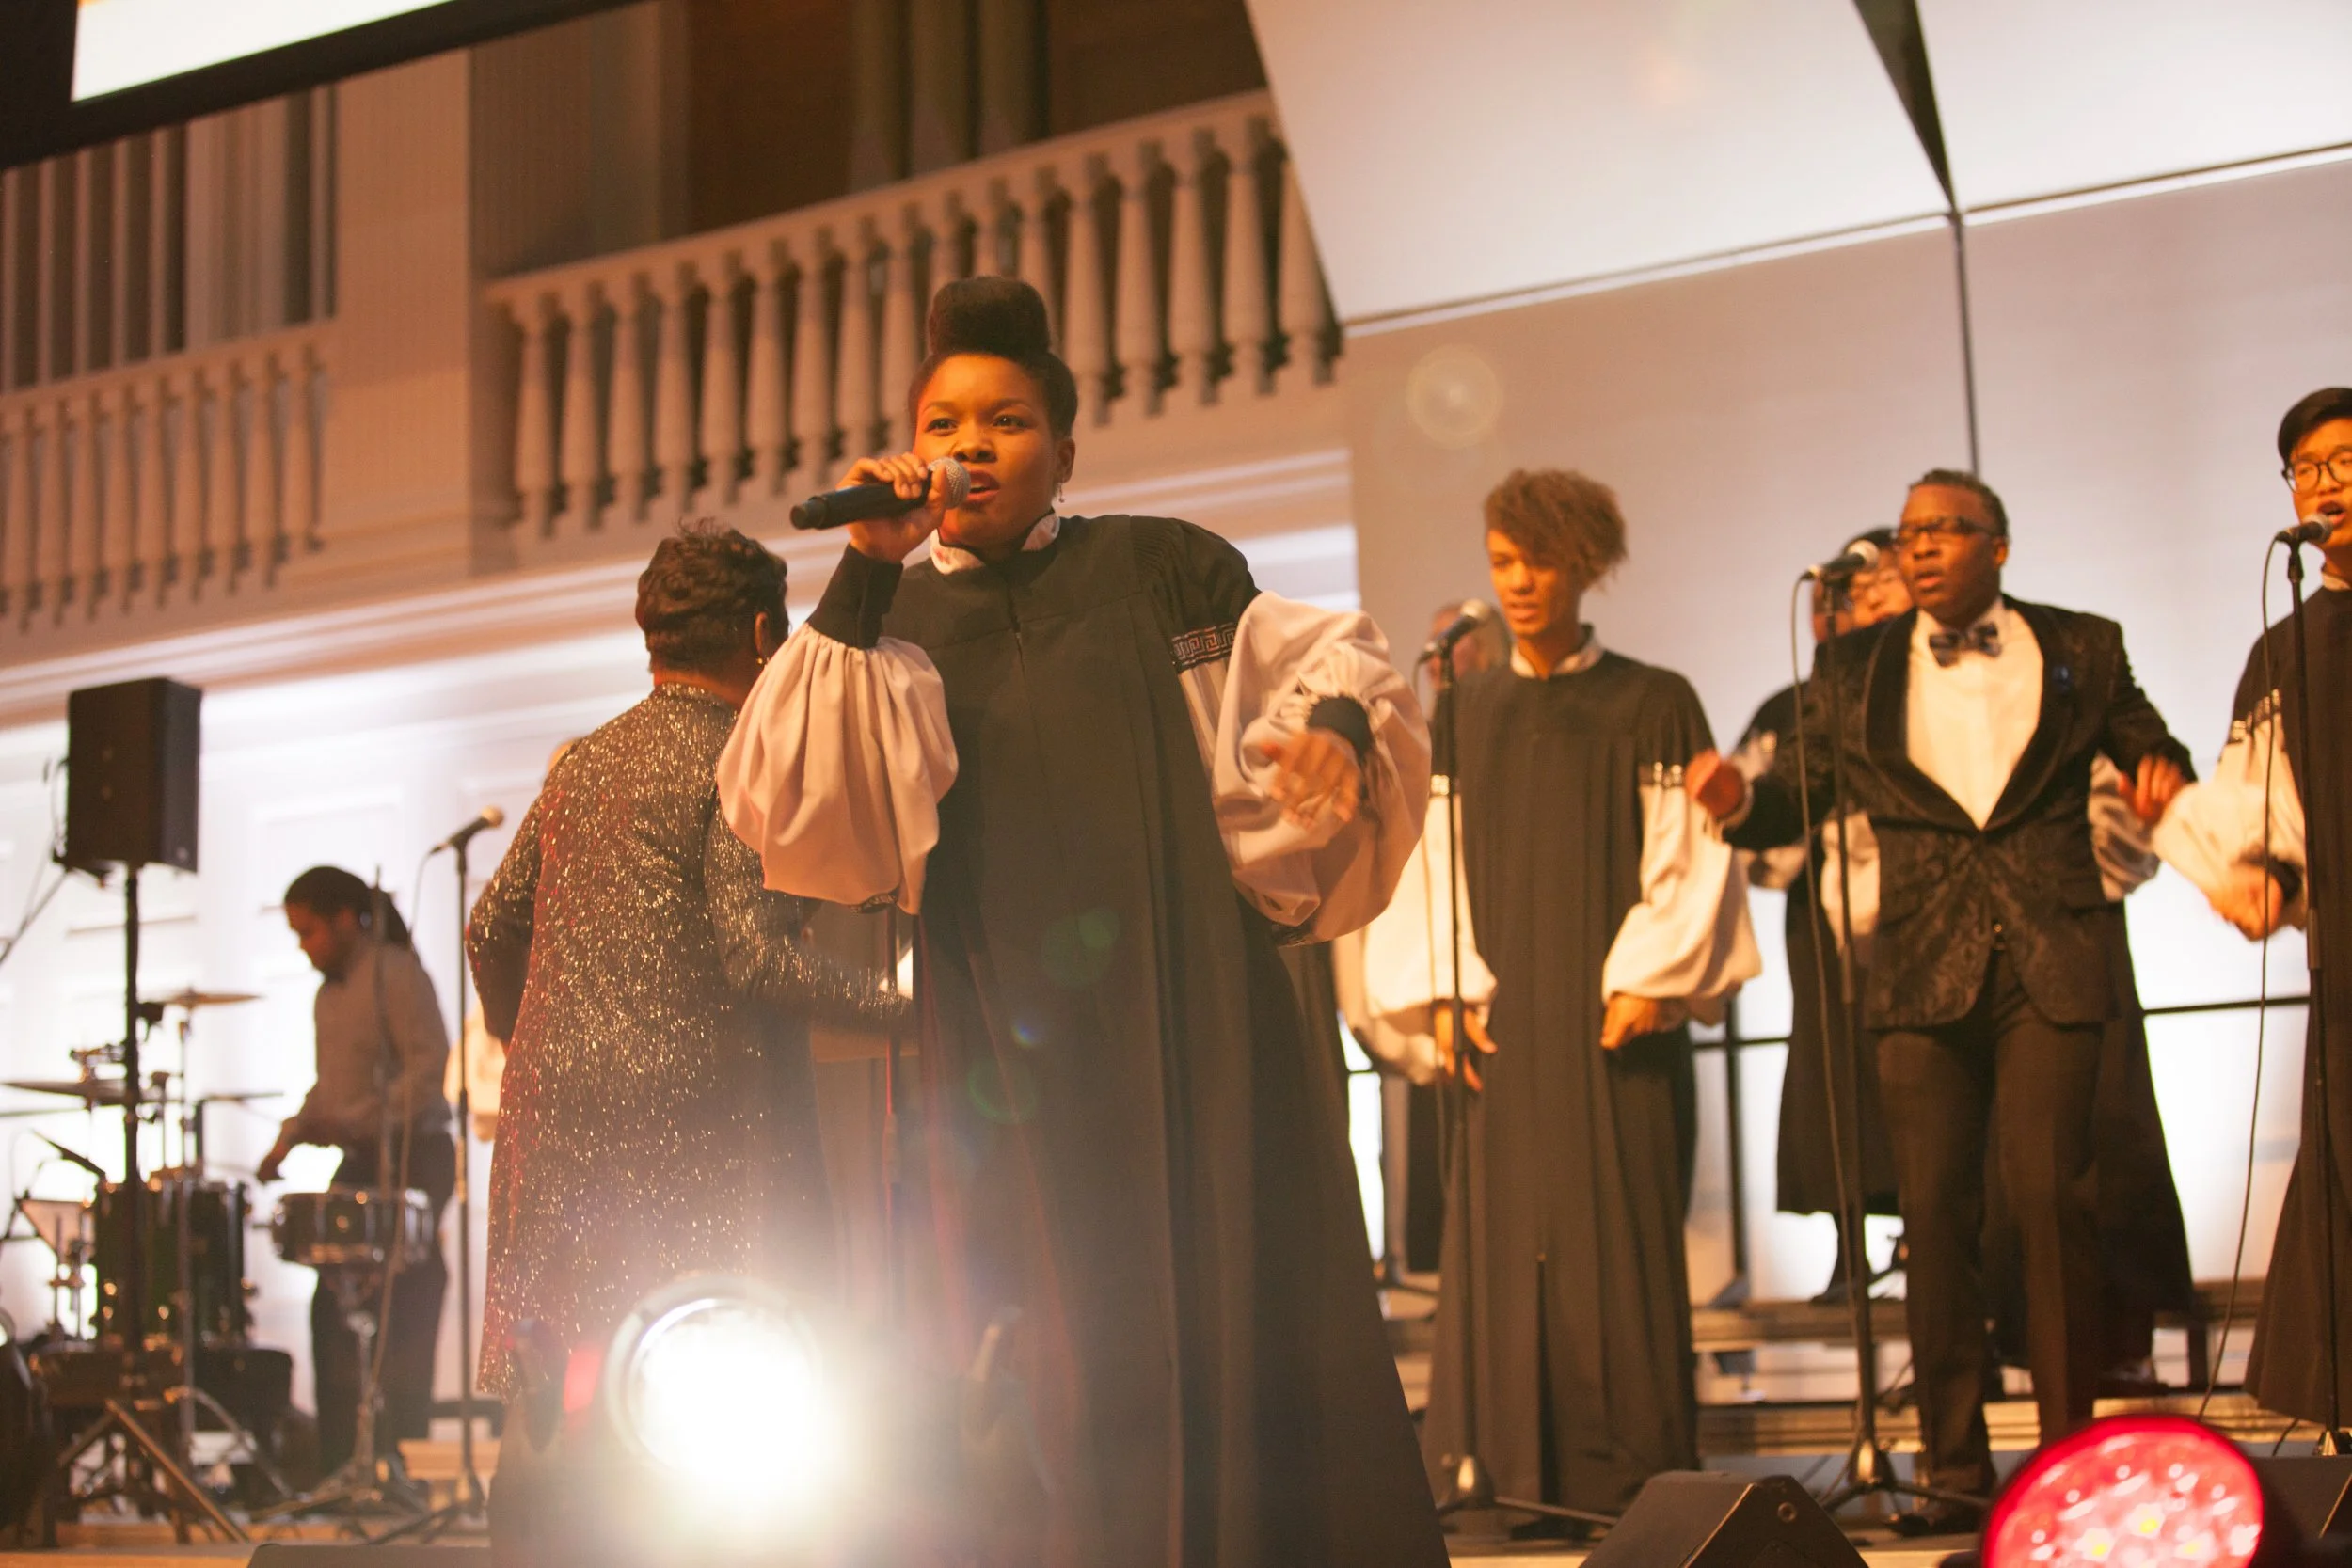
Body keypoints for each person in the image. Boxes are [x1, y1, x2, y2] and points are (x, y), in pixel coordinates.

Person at [716, 277, 1444, 1567]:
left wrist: (1332, 726)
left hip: (1204, 1011)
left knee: (1239, 1286)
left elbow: (1326, 662)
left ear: (1064, 447)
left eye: (1004, 420)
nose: (970, 447)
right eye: (944, 424)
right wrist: (862, 573)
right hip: (1002, 1049)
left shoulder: (1164, 566)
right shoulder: (889, 618)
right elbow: (795, 806)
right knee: (1040, 1325)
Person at [1688, 468, 2191, 1531]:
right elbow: (1801, 792)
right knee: (1933, 1214)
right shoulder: (1851, 663)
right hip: (1918, 965)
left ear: (1997, 545)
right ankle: (1955, 1468)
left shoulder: (2080, 642)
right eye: (1909, 532)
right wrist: (1740, 804)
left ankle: (2066, 1466)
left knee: (2052, 1207)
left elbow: (2147, 737)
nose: (1918, 548)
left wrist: (2162, 769)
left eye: (1944, 530)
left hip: (2048, 949)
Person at [468, 525, 903, 1550]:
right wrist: (904, 1010)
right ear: (763, 633)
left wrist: (530, 1036)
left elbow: (492, 924)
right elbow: (753, 959)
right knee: (712, 1377)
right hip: (701, 1116)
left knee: (559, 1375)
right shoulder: (733, 758)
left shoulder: (581, 763)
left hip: (556, 1118)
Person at [1408, 469, 1758, 1525]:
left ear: (1587, 566)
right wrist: (1444, 987)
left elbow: (1690, 848)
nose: (1518, 582)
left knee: (1620, 1235)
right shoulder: (1465, 705)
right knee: (1506, 1233)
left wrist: (1652, 976)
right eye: (1503, 559)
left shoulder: (1652, 697)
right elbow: (1435, 859)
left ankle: (1629, 1478)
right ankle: (1507, 1471)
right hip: (1505, 1007)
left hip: (1613, 1012)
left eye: (1540, 561)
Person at [2155, 387, 2352, 1428]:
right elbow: (2255, 802)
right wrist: (2254, 878)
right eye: (2307, 469)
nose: (2326, 483)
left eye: (2345, 459)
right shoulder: (2284, 648)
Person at [1727, 531, 1907, 1304]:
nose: (1836, 615)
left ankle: (1929, 1236)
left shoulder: (1915, 685)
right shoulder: (1789, 709)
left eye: (1858, 595)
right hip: (1820, 916)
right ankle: (1848, 1243)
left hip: (1912, 903)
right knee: (1834, 1074)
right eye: (1828, 600)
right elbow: (1748, 816)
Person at [258, 867, 452, 1478]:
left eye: (309, 929)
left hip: (415, 1154)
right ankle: (343, 1465)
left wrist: (362, 1121)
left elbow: (427, 1068)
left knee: (402, 1301)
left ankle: (405, 1463)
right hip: (365, 1159)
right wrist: (288, 1139)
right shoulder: (327, 994)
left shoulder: (395, 973)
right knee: (334, 1306)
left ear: (346, 918)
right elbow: (331, 1088)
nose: (303, 944)